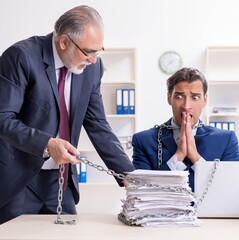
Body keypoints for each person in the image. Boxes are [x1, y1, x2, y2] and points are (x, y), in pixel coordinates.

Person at [0, 5, 134, 224]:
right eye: (89, 52)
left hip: (60, 181)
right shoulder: (21, 57)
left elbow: (98, 125)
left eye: (99, 50)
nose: (94, 59)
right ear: (64, 42)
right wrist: (46, 144)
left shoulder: (93, 68)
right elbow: (3, 118)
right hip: (19, 179)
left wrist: (128, 174)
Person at [132, 67, 239, 191]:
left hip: (209, 211)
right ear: (169, 98)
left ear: (205, 100)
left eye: (195, 97)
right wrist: (178, 156)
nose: (186, 106)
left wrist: (195, 157)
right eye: (179, 97)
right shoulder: (143, 141)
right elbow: (141, 192)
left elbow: (230, 190)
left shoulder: (226, 140)